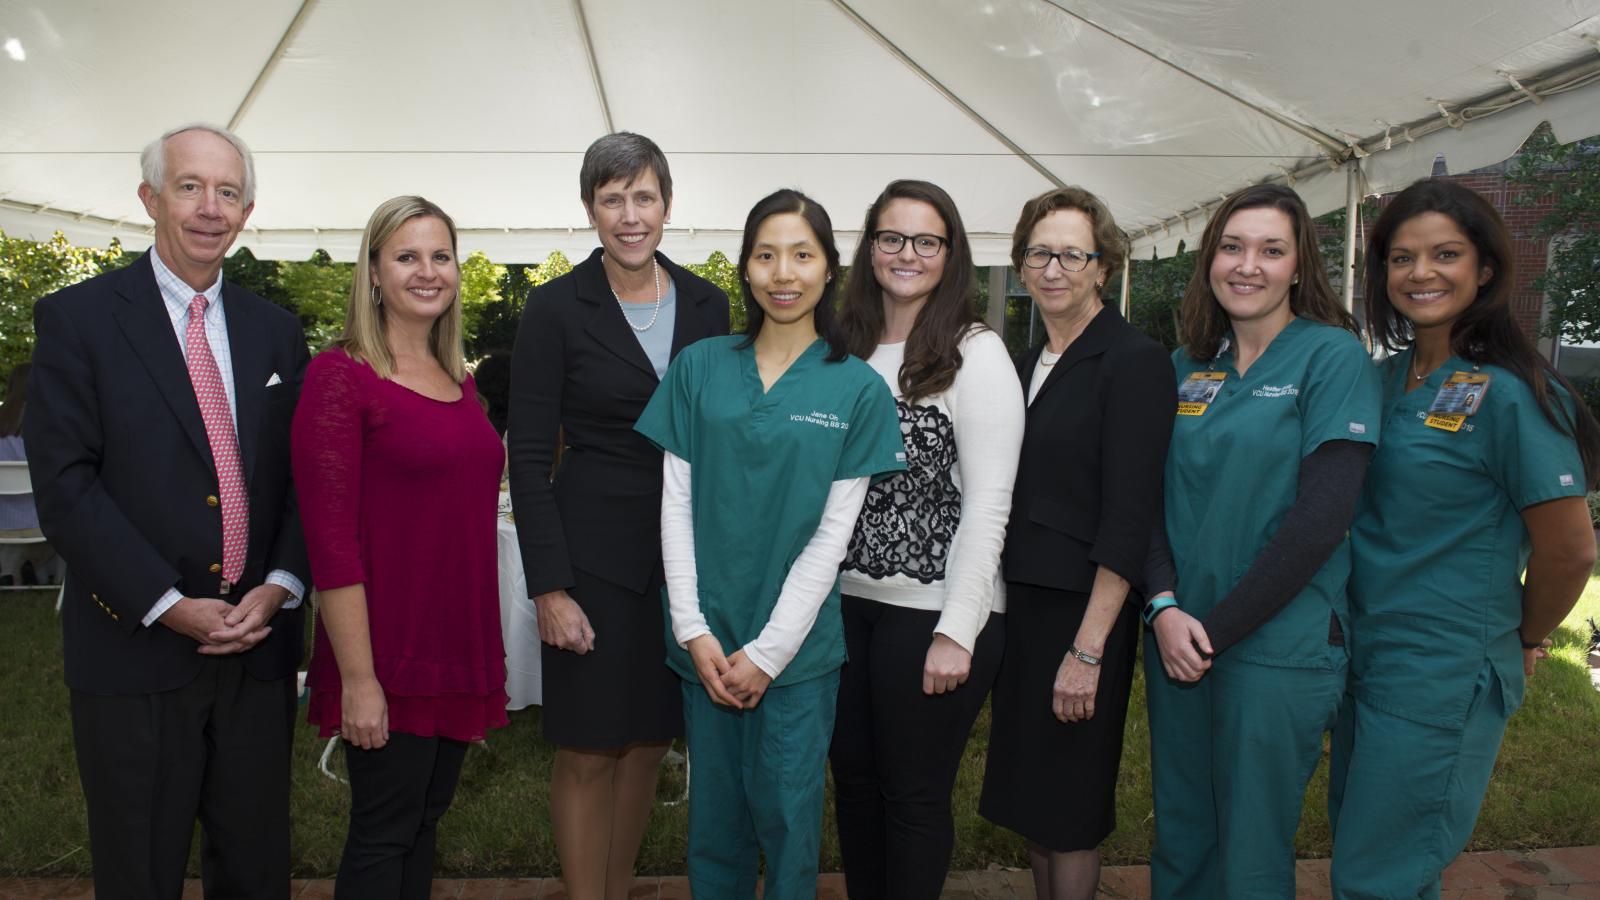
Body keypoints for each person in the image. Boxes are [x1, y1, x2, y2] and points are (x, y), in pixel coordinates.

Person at [24, 123, 310, 900]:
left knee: (255, 868)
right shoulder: (78, 320)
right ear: (150, 198)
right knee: (140, 869)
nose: (209, 208)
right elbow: (65, 485)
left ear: (247, 211)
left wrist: (281, 584)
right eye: (190, 187)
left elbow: (301, 479)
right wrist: (167, 604)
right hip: (134, 650)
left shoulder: (277, 333)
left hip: (256, 648)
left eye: (227, 192)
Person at [1329, 178, 1600, 899]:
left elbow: (1571, 549)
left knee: (1379, 875)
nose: (1421, 273)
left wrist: (1524, 636)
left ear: (1484, 269)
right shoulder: (1384, 380)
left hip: (1441, 672)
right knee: (1368, 854)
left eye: (1445, 254)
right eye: (1401, 258)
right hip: (1366, 656)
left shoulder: (1513, 392)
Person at [635, 188, 906, 900]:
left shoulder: (858, 389)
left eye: (802, 254)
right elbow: (677, 506)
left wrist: (770, 651)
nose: (783, 272)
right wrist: (692, 628)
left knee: (789, 829)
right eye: (766, 255)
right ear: (746, 269)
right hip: (707, 643)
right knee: (714, 832)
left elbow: (831, 538)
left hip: (796, 654)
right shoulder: (698, 369)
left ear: (828, 269)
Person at [1142, 183, 1381, 899]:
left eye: (1271, 250)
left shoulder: (1332, 358)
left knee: (1249, 849)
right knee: (1182, 833)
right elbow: (1142, 500)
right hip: (1177, 635)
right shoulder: (1187, 366)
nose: (1249, 265)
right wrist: (1162, 605)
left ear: (1299, 267)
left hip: (1276, 646)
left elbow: (1321, 519)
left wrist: (1211, 631)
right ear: (1210, 259)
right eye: (1233, 246)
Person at [507, 132, 729, 900]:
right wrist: (549, 586)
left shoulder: (709, 304)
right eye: (612, 199)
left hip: (680, 565)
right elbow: (528, 457)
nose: (630, 216)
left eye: (643, 197)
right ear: (590, 209)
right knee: (587, 747)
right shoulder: (554, 308)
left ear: (667, 203)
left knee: (647, 741)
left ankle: (618, 883)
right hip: (589, 561)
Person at [291, 195, 508, 897]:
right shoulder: (340, 377)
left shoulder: (460, 380)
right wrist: (359, 679)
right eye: (407, 256)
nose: (427, 271)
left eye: (440, 256)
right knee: (385, 831)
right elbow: (330, 546)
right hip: (385, 652)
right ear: (374, 273)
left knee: (423, 823)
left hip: (454, 644)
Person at [826, 179, 1022, 899]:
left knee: (912, 797)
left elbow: (990, 505)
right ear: (870, 246)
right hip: (841, 606)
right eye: (891, 237)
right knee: (853, 783)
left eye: (926, 240)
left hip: (933, 611)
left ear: (951, 254)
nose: (907, 254)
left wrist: (958, 629)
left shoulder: (977, 352)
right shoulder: (839, 348)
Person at [978, 187, 1174, 900]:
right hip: (1023, 610)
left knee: (1069, 810)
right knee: (1034, 799)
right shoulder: (1024, 363)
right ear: (1022, 263)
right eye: (1039, 252)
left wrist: (1089, 650)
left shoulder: (1133, 361)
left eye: (1072, 254)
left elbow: (1129, 516)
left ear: (1103, 265)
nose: (1053, 268)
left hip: (1082, 612)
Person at [1, 363, 60, 585]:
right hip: (41, 522)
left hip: (2, 521)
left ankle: (10, 572)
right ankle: (52, 577)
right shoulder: (49, 422)